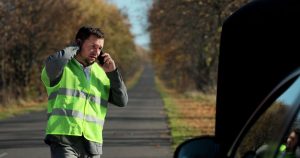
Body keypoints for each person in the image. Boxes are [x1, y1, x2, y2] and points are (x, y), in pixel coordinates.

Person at [41, 26, 128, 158]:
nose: (97, 52)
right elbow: (52, 64)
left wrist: (113, 73)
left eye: (100, 48)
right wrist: (74, 48)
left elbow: (122, 100)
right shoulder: (62, 68)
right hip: (64, 139)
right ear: (79, 43)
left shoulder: (102, 74)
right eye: (92, 46)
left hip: (93, 143)